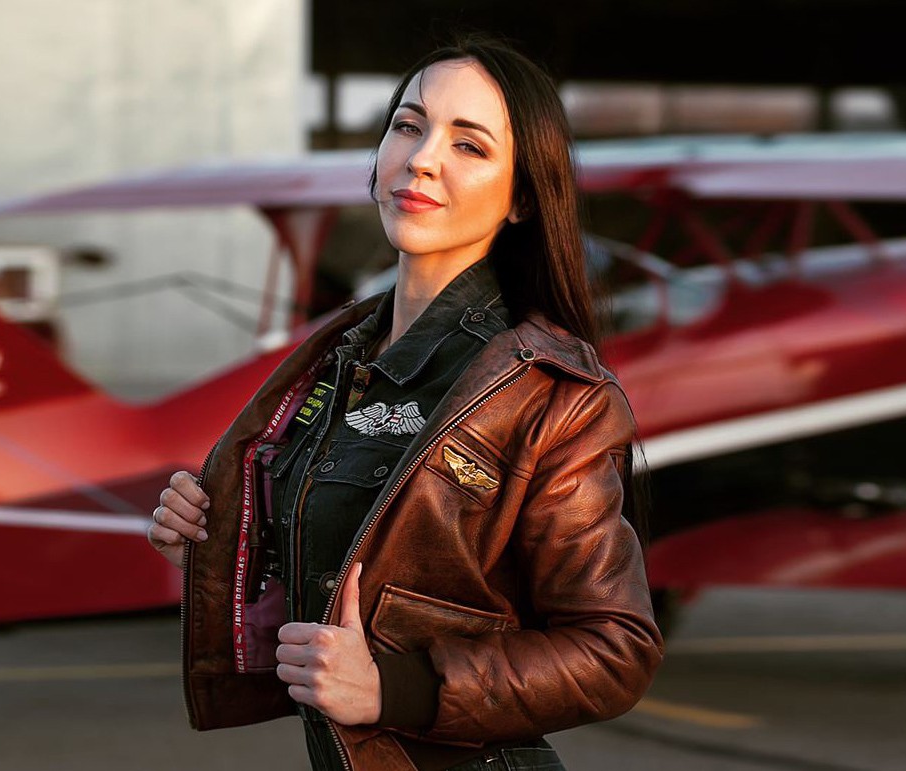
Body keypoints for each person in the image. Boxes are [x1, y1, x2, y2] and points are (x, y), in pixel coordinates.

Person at [147, 37, 663, 771]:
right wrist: (214, 547)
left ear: (522, 197)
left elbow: (615, 649)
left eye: (468, 145)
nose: (422, 159)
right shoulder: (334, 364)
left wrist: (391, 688)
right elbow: (353, 577)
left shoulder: (552, 394)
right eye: (408, 126)